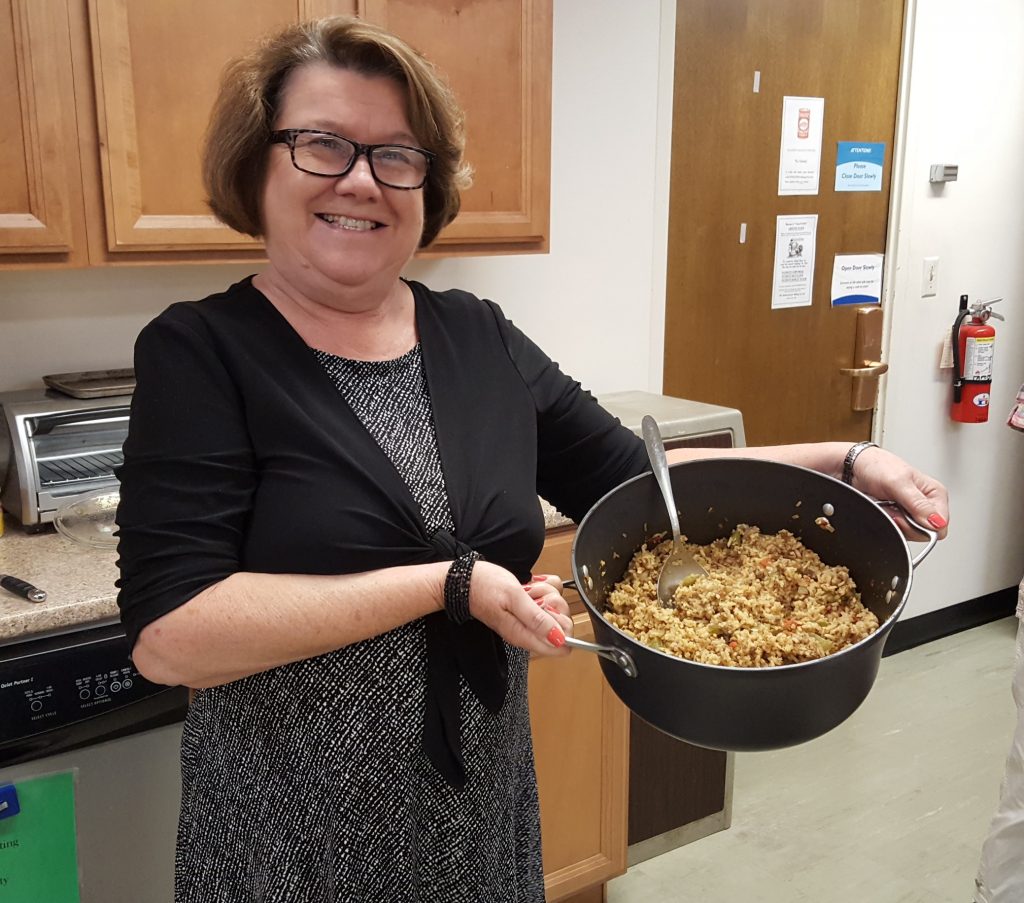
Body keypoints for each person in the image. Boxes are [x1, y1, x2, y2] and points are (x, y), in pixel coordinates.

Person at [114, 16, 951, 903]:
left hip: (480, 807)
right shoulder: (201, 352)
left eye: (397, 154)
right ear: (256, 163)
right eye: (322, 144)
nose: (361, 179)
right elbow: (172, 638)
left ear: (427, 185)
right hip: (299, 834)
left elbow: (645, 483)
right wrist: (451, 583)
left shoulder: (476, 334)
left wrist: (849, 461)